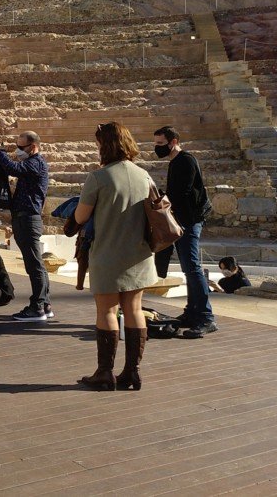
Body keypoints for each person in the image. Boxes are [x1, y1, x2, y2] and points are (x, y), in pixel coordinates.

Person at [74, 122, 155, 390]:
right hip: (139, 255)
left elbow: (80, 217)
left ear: (105, 145)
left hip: (108, 253)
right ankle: (132, 372)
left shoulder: (99, 177)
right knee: (134, 309)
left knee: (107, 310)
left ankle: (105, 373)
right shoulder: (144, 175)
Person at [153, 126, 217, 338]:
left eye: (161, 144)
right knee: (188, 268)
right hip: (182, 221)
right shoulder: (176, 162)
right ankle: (191, 313)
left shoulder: (186, 161)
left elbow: (183, 194)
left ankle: (206, 317)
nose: (157, 148)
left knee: (192, 268)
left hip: (188, 222)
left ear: (173, 141)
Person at [0, 131, 51, 321]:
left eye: (21, 147)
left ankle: (37, 307)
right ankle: (44, 304)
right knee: (36, 265)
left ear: (33, 147)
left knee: (34, 265)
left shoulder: (36, 163)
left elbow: (13, 168)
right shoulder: (32, 163)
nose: (18, 151)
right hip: (23, 218)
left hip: (28, 219)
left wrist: (0, 152)